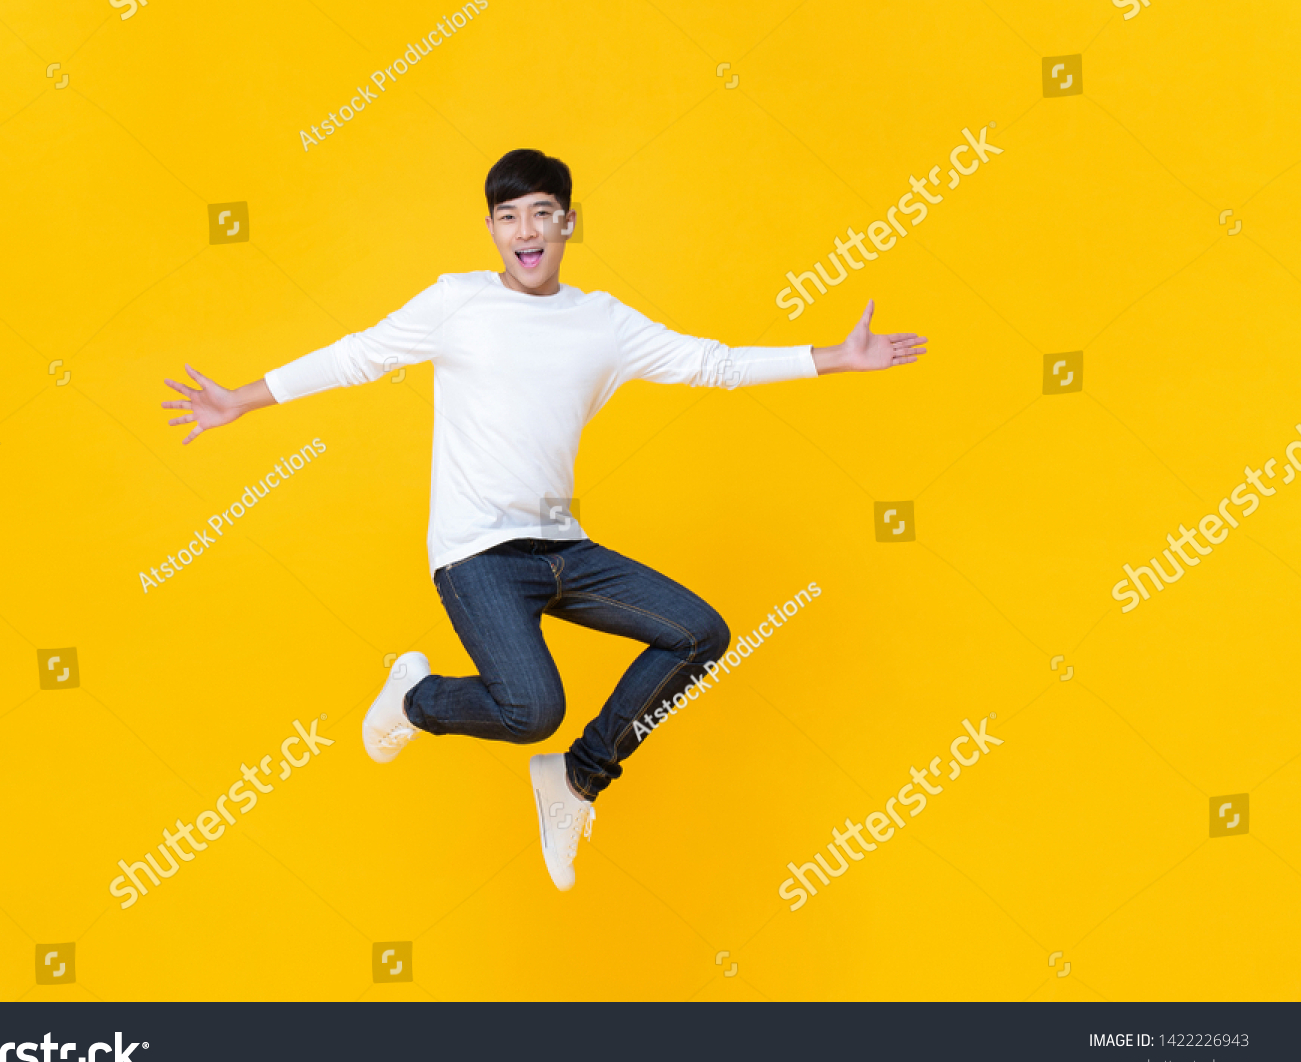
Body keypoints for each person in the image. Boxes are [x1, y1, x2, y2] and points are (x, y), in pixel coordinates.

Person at [161, 149, 926, 890]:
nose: (525, 230)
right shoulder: (457, 302)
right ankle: (415, 700)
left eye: (540, 213)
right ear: (491, 228)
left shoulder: (603, 322)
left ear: (568, 223)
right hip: (477, 556)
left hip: (563, 546)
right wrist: (240, 400)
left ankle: (577, 778)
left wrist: (834, 357)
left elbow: (713, 364)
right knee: (532, 711)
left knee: (700, 633)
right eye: (508, 216)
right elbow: (356, 355)